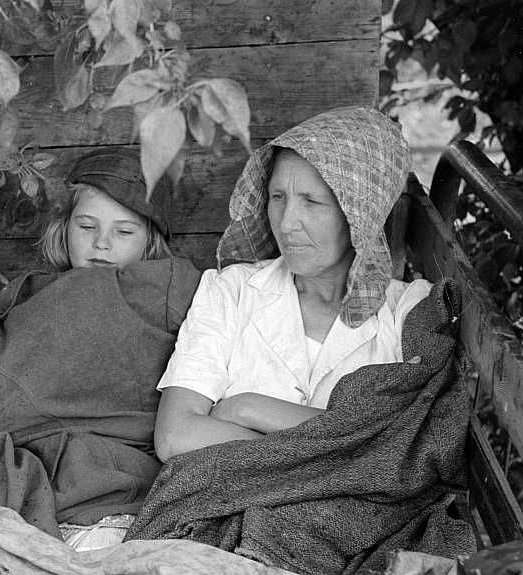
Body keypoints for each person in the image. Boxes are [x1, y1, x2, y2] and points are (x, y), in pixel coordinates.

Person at [126, 106, 475, 573]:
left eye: (313, 202)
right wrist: (333, 451)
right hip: (217, 534)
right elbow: (175, 437)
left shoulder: (408, 312)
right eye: (277, 197)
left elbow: (402, 454)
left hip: (344, 538)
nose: (288, 221)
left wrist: (249, 406)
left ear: (360, 209)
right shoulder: (229, 291)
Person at [0, 148, 202, 551]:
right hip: (25, 471)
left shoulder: (169, 288)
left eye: (125, 232)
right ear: (63, 227)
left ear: (151, 241)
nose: (102, 243)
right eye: (86, 226)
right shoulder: (24, 296)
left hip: (114, 481)